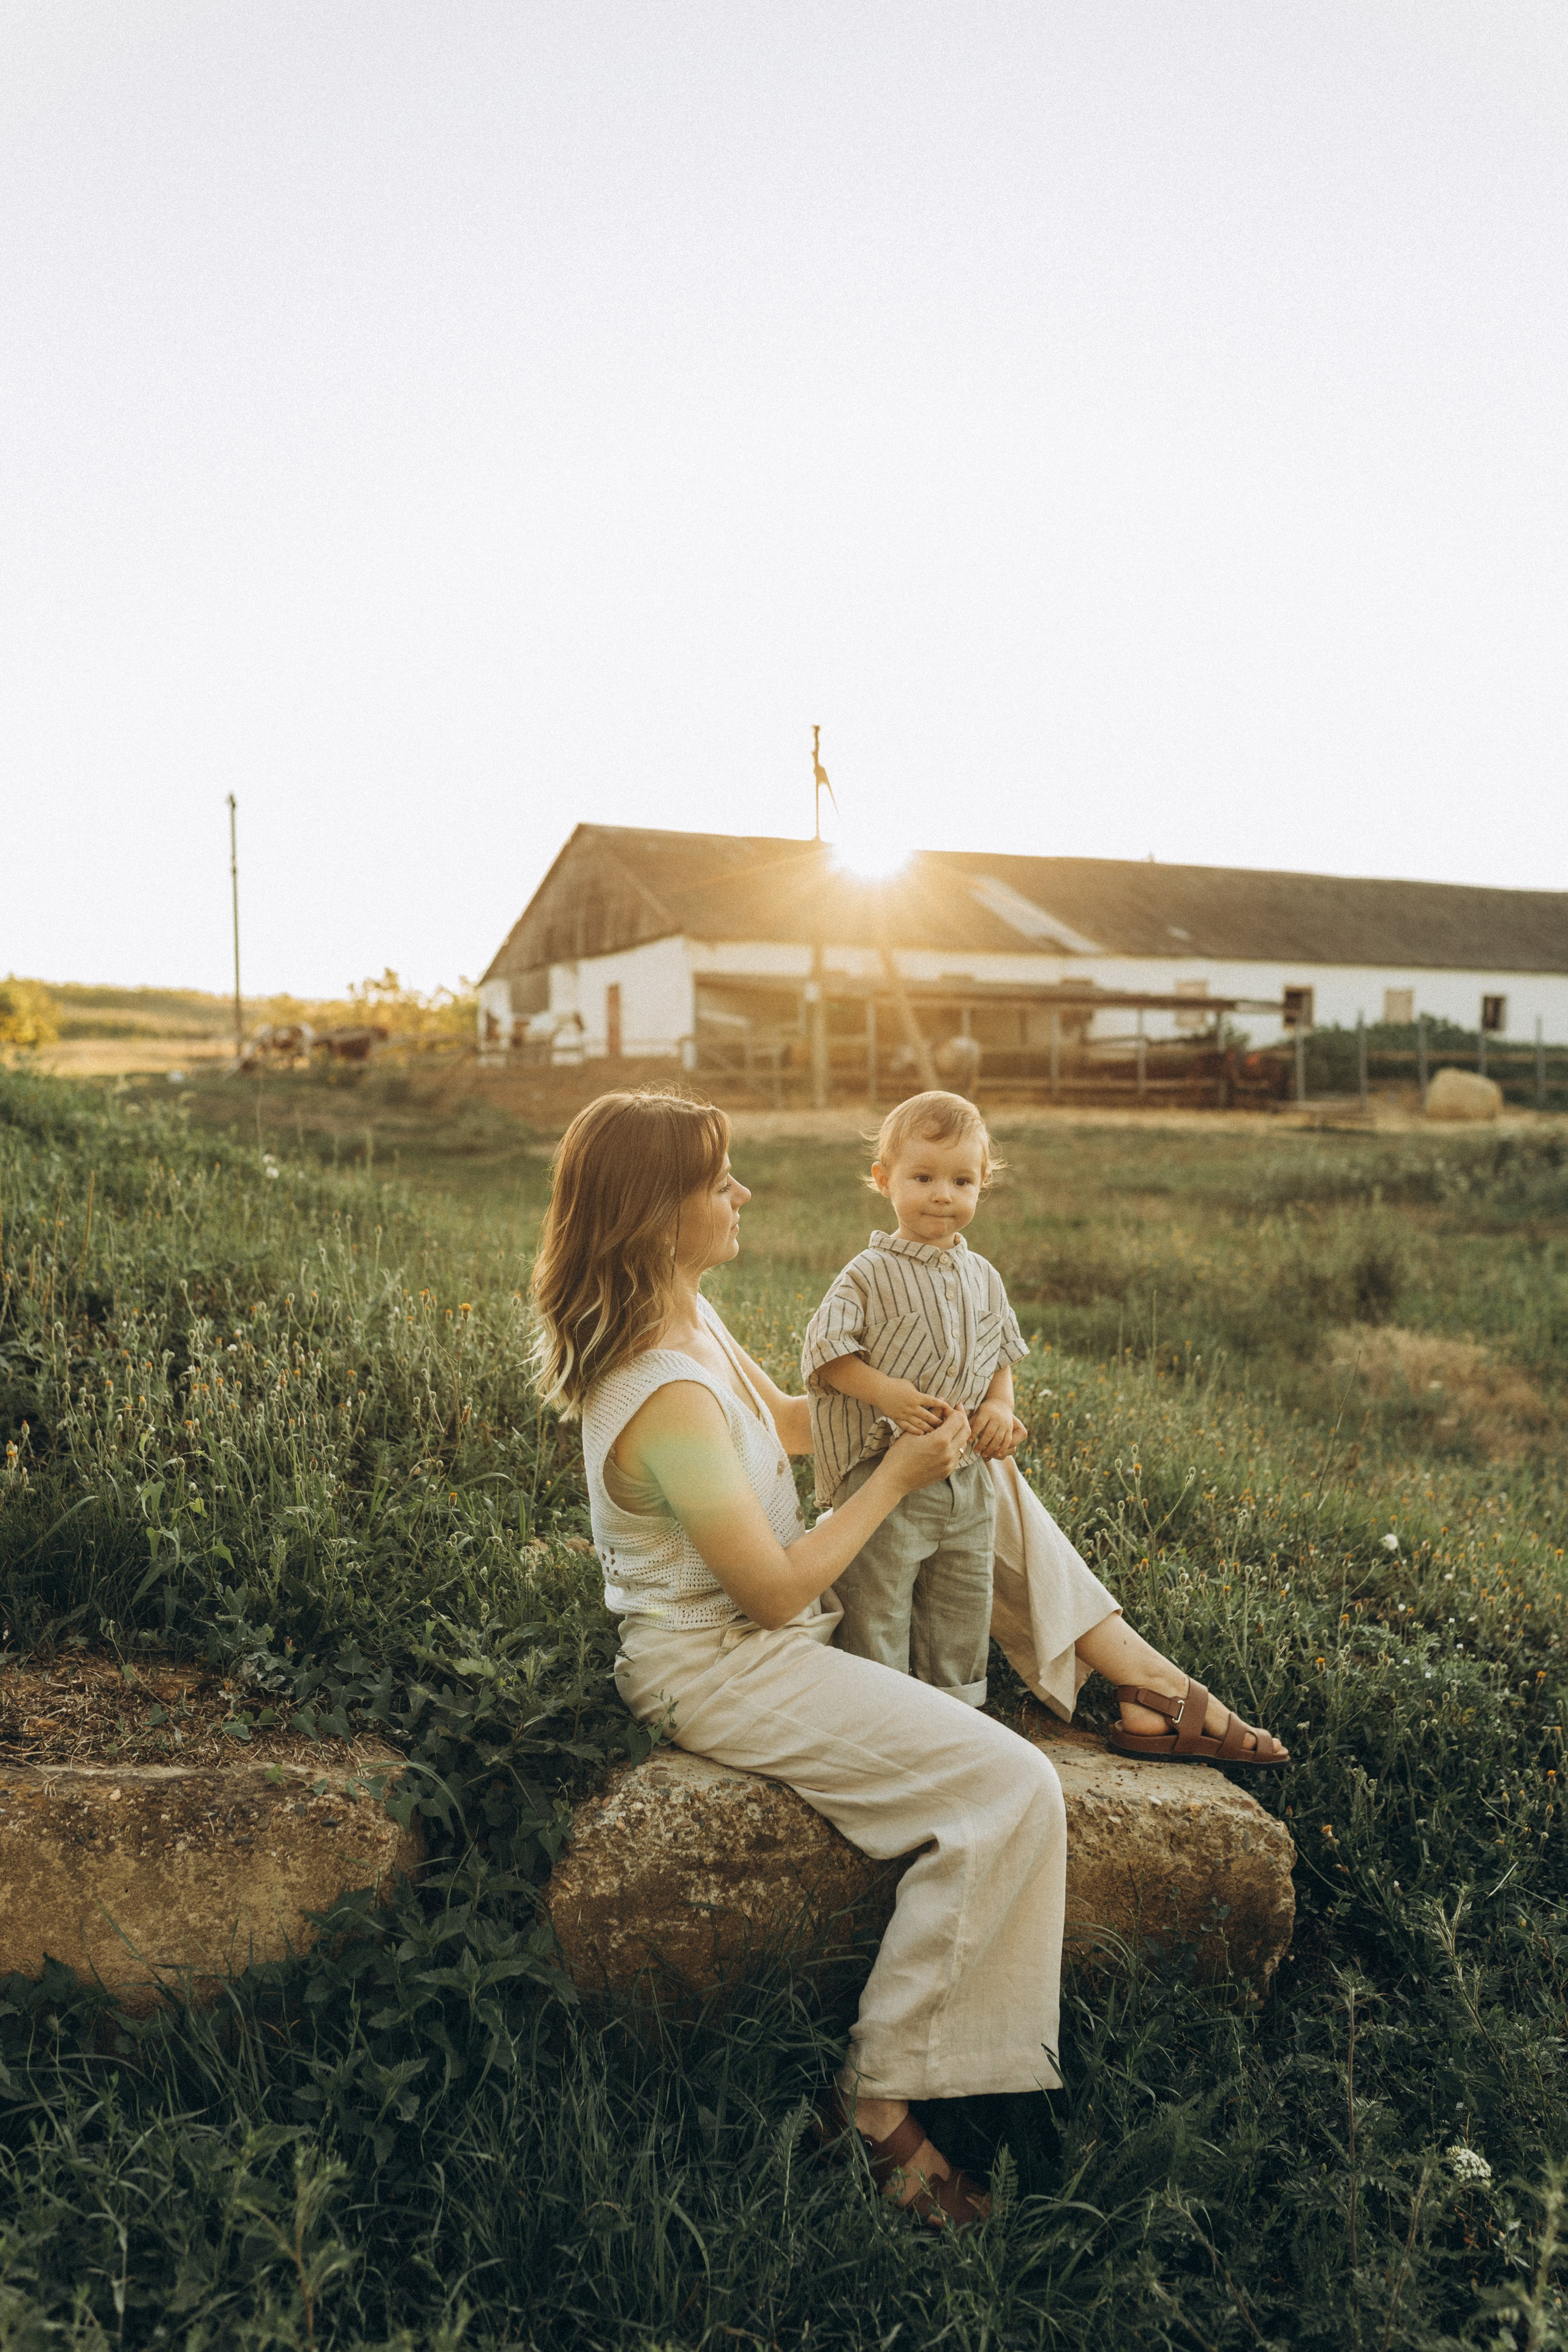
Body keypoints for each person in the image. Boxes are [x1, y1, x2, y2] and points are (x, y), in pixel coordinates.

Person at [804, 1090, 1289, 1768]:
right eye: (922, 1178)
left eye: (961, 1181)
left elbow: (999, 1359)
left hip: (967, 1478)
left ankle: (953, 1717)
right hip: (884, 1474)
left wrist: (999, 1408)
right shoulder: (868, 1273)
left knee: (959, 1598)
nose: (941, 1196)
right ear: (884, 1180)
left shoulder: (983, 1277)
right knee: (878, 1597)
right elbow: (827, 1356)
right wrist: (886, 1391)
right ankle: (882, 1717)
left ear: (983, 1185)